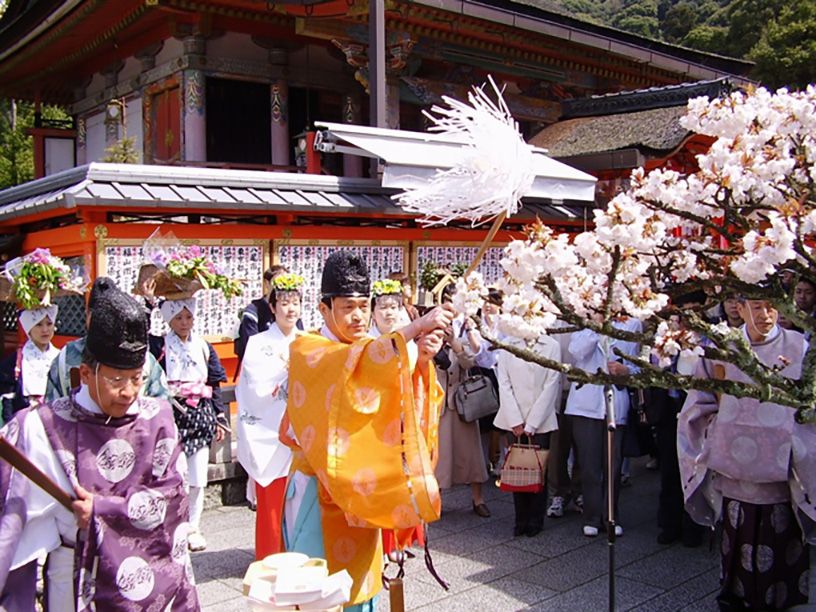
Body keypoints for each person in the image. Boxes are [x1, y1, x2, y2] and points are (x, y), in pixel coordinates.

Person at [0, 284, 198, 610]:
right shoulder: (42, 426)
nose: (129, 392)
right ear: (85, 373)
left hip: (149, 585)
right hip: (73, 576)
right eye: (116, 380)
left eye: (137, 378)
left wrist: (101, 510)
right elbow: (9, 519)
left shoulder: (157, 419)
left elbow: (173, 501)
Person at [281, 251, 451, 610]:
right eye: (347, 307)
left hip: (360, 490)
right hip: (317, 490)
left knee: (363, 588)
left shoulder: (367, 350)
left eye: (363, 305)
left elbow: (388, 399)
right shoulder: (307, 348)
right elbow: (352, 366)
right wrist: (415, 329)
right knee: (317, 590)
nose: (358, 315)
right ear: (324, 308)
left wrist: (420, 359)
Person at [679, 297, 816, 611]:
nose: (765, 315)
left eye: (771, 306)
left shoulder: (800, 346)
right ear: (739, 308)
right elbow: (698, 405)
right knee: (736, 544)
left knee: (781, 546)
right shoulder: (722, 348)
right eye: (755, 307)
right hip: (733, 467)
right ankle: (734, 597)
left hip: (783, 474)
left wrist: (795, 436)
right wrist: (719, 432)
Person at [150, 295, 228, 552]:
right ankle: (173, 525)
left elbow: (214, 382)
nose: (184, 323)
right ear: (169, 319)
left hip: (201, 413)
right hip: (172, 412)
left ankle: (194, 526)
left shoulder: (204, 346)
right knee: (175, 474)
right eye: (179, 317)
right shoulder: (159, 346)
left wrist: (218, 416)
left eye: (188, 317)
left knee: (198, 477)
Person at [236, 272, 304, 560]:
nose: (290, 308)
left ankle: (300, 556)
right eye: (284, 302)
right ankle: (269, 559)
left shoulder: (308, 341)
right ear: (272, 307)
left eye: (295, 302)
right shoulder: (258, 343)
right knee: (273, 501)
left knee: (302, 503)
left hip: (302, 433)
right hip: (269, 432)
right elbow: (255, 387)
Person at [565, 317, 641, 538]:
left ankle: (611, 516)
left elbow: (638, 364)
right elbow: (576, 351)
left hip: (615, 403)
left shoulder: (632, 324)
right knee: (589, 465)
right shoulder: (584, 321)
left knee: (613, 465)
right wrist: (595, 327)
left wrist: (625, 369)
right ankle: (591, 516)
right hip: (585, 404)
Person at [45, 277, 170, 402]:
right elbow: (51, 407)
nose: (104, 324)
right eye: (99, 317)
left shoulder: (143, 356)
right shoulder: (66, 356)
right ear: (87, 314)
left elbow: (161, 405)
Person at [494, 332, 561, 537]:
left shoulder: (551, 345)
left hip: (541, 418)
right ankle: (520, 519)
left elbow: (551, 385)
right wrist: (515, 420)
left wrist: (532, 423)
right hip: (514, 416)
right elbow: (503, 383)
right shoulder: (507, 343)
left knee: (538, 468)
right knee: (518, 467)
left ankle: (535, 519)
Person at [435, 284, 491, 518]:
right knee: (439, 455)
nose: (451, 306)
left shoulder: (468, 327)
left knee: (471, 453)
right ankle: (434, 500)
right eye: (447, 300)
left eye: (455, 300)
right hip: (438, 398)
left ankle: (478, 499)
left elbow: (472, 361)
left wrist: (456, 343)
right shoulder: (432, 325)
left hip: (462, 398)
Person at [0, 305, 60, 424]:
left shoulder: (60, 356)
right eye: (38, 324)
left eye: (49, 324)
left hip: (56, 422)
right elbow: (8, 400)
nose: (45, 330)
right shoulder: (15, 361)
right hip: (25, 423)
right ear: (29, 328)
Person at [234, 264, 290, 363]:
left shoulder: (291, 311)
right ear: (266, 283)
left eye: (286, 282)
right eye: (278, 282)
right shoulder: (253, 311)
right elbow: (250, 346)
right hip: (263, 364)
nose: (282, 286)